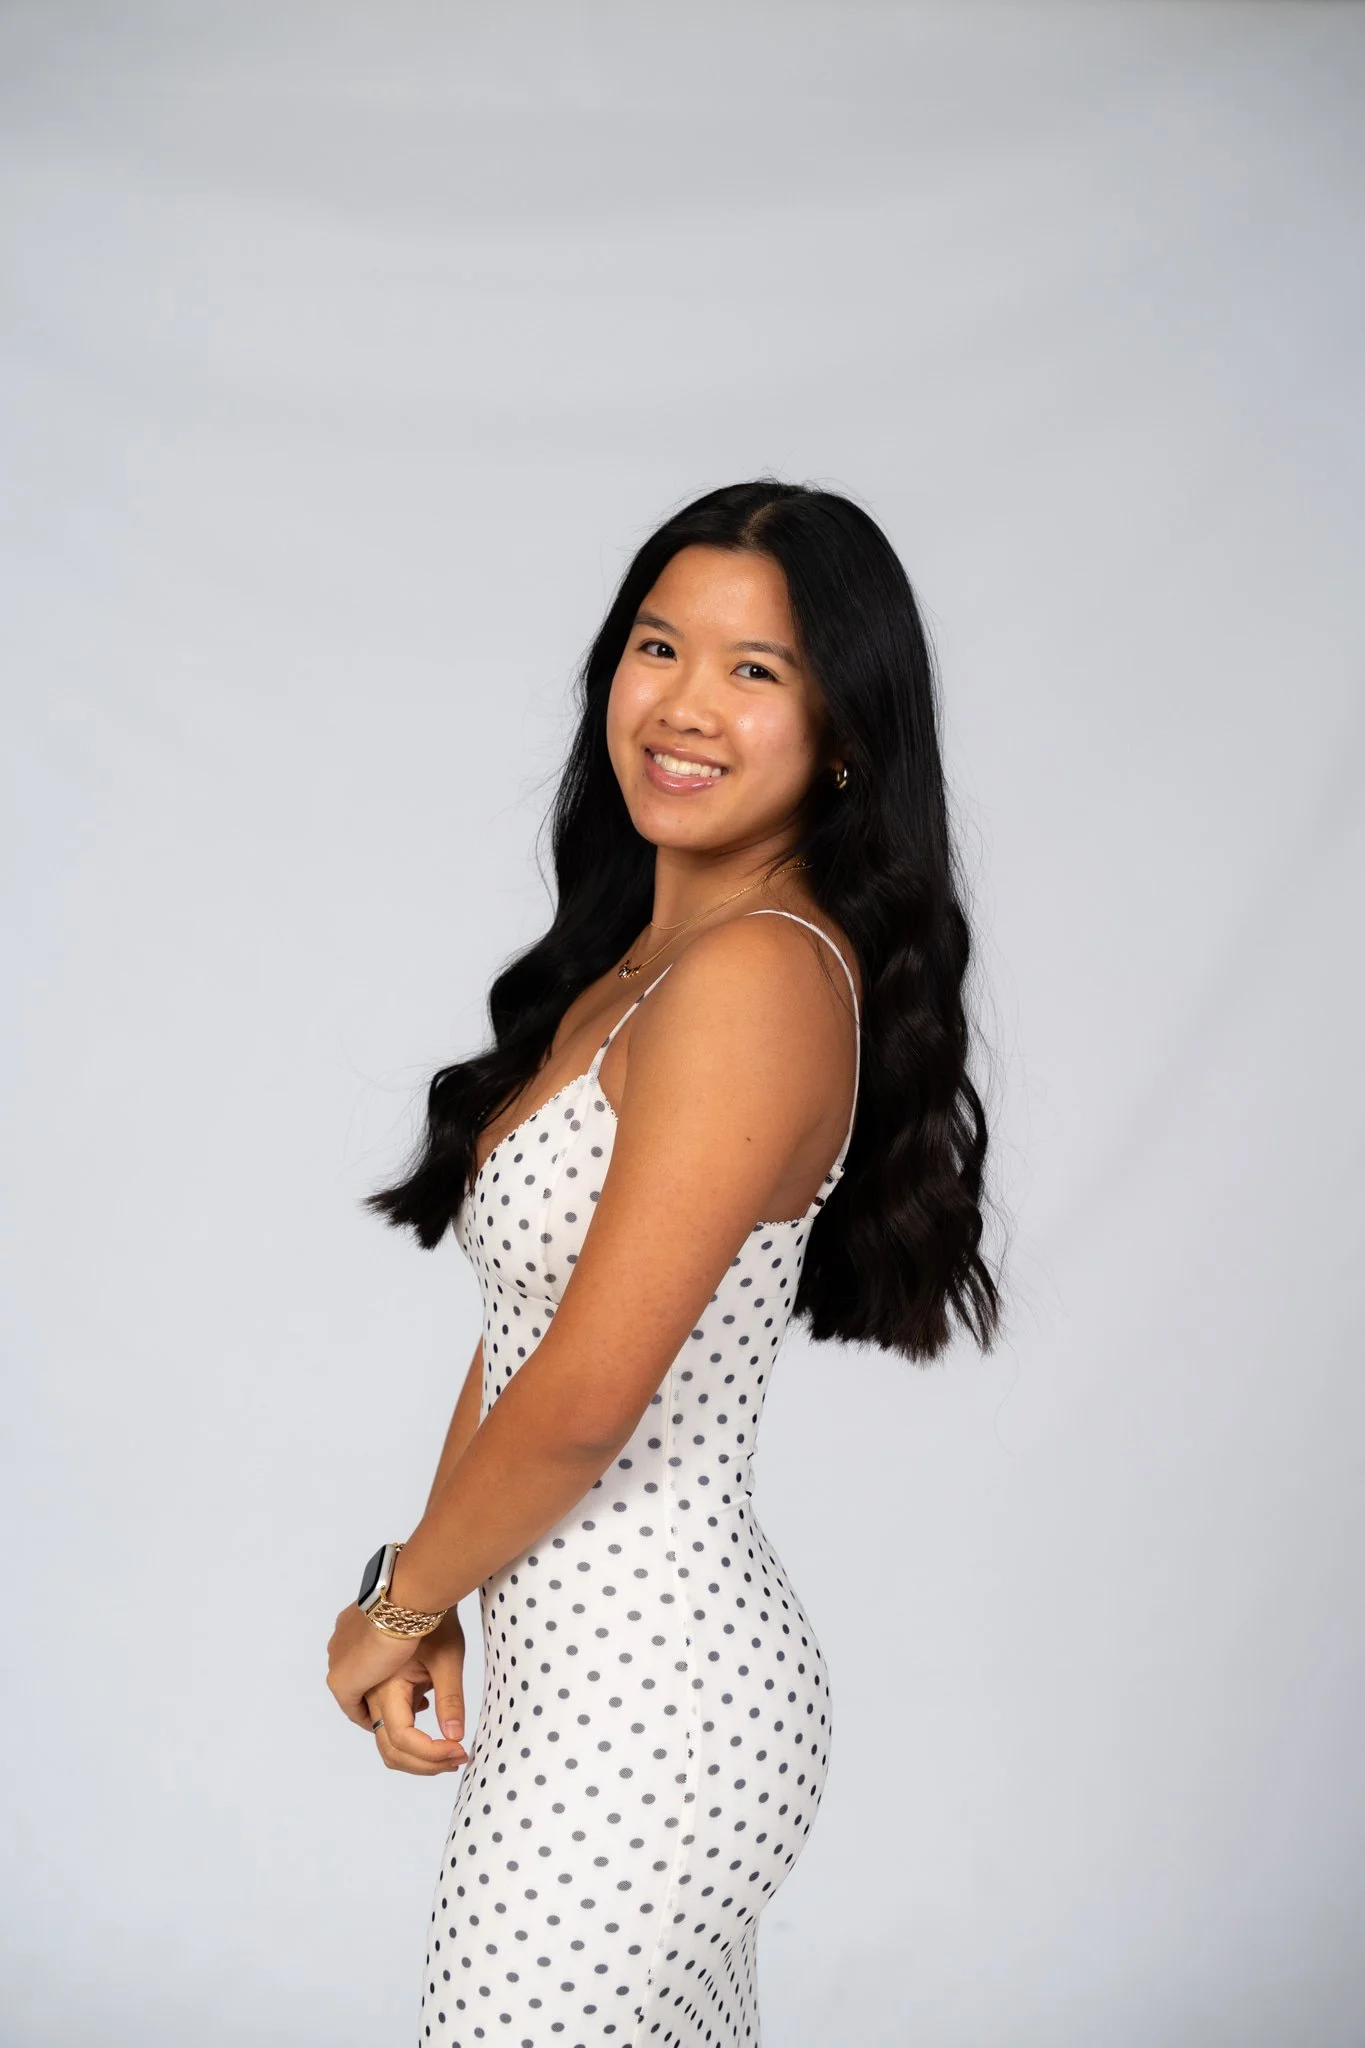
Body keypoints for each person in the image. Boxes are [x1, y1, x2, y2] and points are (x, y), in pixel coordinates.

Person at [326, 477, 1002, 2044]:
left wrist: (394, 1603)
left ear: (844, 732)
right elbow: (526, 1335)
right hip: (592, 1695)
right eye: (657, 646)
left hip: (652, 1710)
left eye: (755, 669)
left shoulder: (757, 977)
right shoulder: (644, 967)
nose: (686, 704)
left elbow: (583, 1403)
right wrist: (438, 1590)